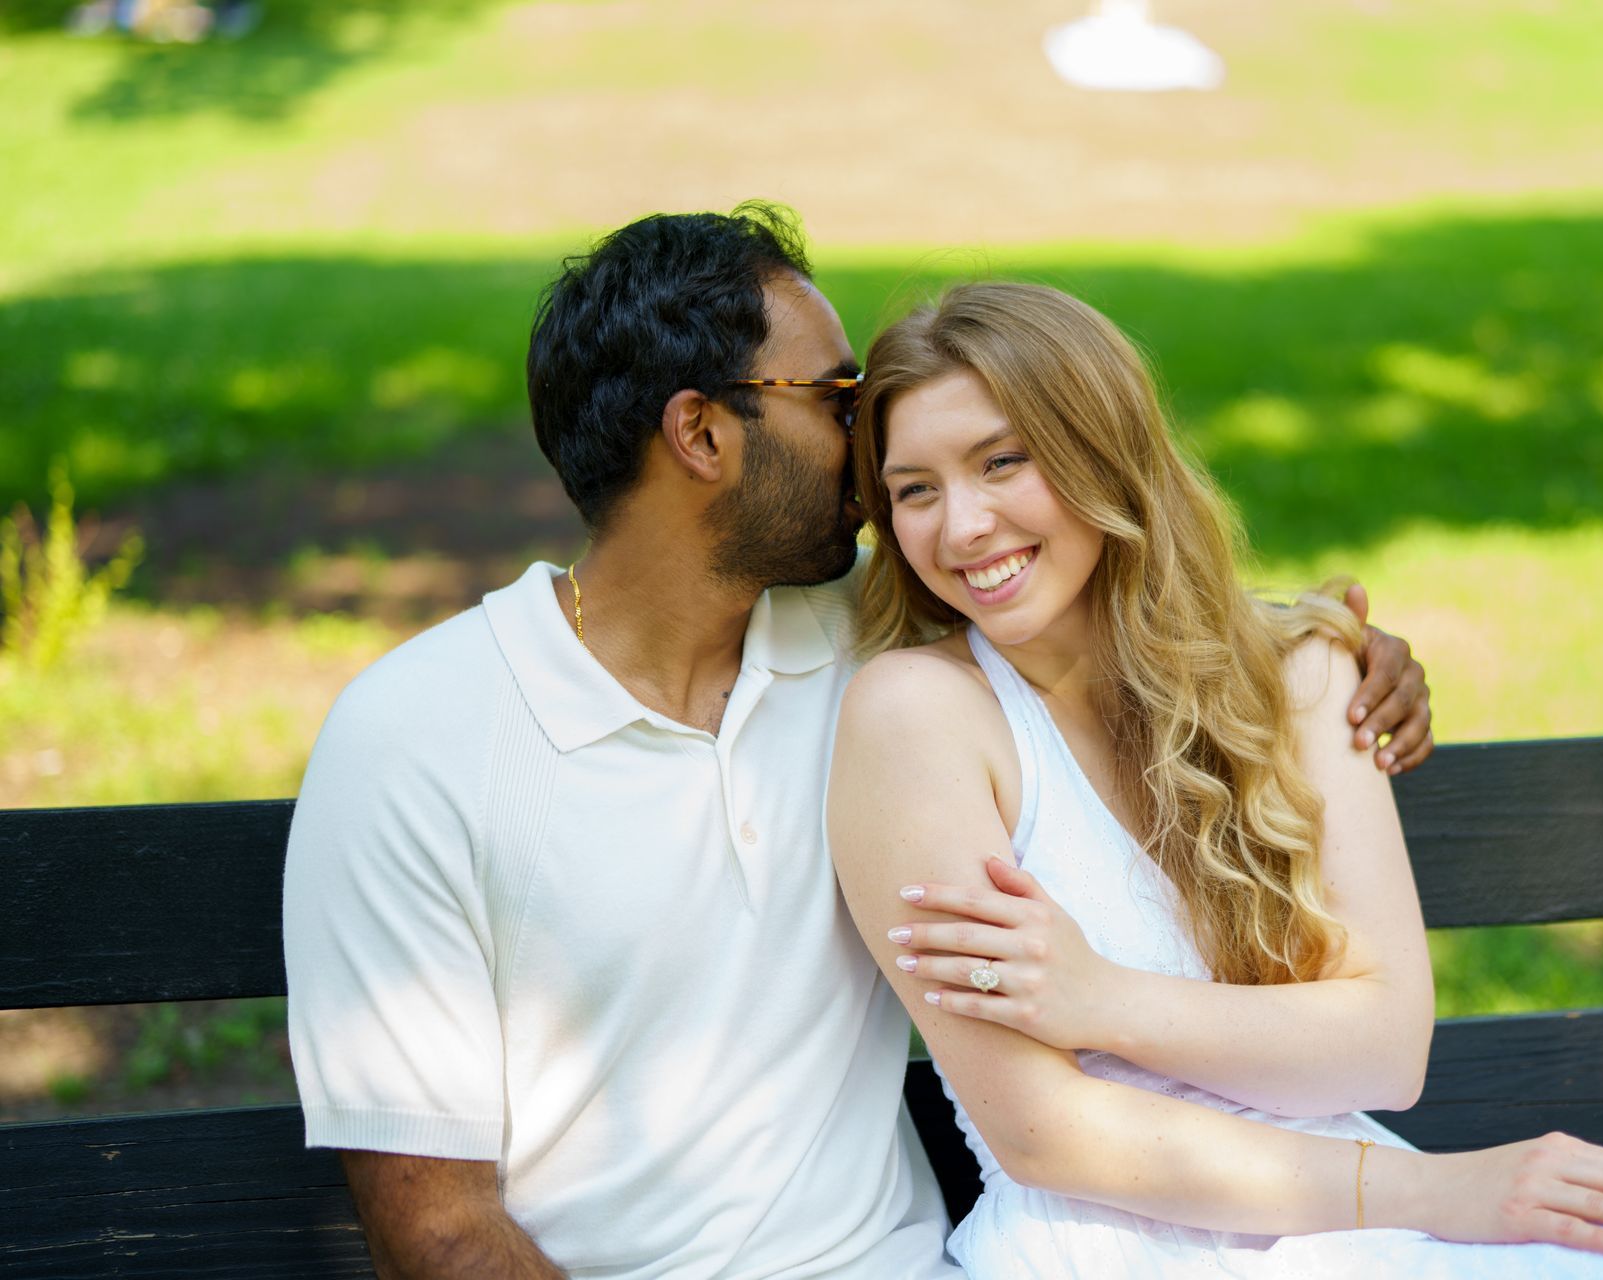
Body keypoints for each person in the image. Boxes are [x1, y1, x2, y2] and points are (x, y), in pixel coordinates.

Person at [281, 205, 1437, 1278]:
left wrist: (1335, 650)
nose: (870, 441)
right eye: (836, 397)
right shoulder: (417, 738)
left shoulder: (869, 647)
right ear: (702, 432)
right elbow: (437, 1226)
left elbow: (1107, 598)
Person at [827, 281, 1603, 1279]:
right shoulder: (919, 717)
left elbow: (1384, 1046)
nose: (960, 527)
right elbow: (1044, 1130)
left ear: (1107, 456)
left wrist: (1104, 999)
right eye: (914, 489)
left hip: (1370, 1219)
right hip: (1123, 1246)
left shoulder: (1297, 673)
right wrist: (1446, 1187)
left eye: (1003, 461)